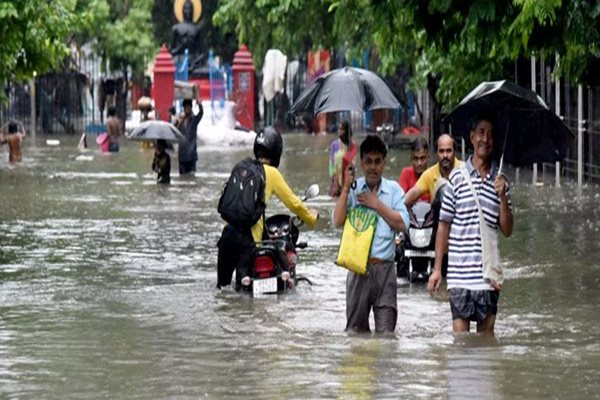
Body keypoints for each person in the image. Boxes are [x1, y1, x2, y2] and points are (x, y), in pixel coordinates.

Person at [428, 113, 513, 336]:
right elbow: (443, 226)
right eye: (482, 133)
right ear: (472, 137)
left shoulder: (501, 181)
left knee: (486, 346)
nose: (486, 139)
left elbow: (507, 230)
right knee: (461, 346)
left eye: (491, 135)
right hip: (458, 277)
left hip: (488, 278)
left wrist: (503, 196)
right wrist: (437, 269)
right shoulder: (456, 178)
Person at [216, 127, 319, 290]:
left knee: (223, 290)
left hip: (227, 236)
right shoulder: (271, 173)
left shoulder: (241, 166)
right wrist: (311, 217)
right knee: (244, 296)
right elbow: (294, 203)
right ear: (277, 152)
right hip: (247, 240)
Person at [333, 135, 409, 333]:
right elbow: (337, 221)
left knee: (386, 338)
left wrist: (377, 204)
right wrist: (345, 188)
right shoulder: (354, 188)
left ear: (384, 162)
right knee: (355, 336)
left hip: (385, 271)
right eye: (368, 162)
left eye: (377, 162)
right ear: (361, 163)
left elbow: (403, 225)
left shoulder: (394, 191)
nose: (373, 167)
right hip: (358, 270)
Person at [404, 134, 462, 207]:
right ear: (436, 154)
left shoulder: (464, 171)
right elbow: (406, 199)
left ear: (454, 153)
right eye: (441, 151)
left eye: (449, 151)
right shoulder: (429, 174)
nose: (445, 155)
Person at [171, 0, 207, 75]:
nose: (188, 11)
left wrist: (195, 62)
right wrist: (180, 48)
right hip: (179, 59)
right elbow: (171, 52)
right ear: (182, 10)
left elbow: (203, 53)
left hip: (194, 61)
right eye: (186, 8)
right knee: (173, 68)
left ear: (193, 11)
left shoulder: (197, 29)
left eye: (190, 9)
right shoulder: (176, 28)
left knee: (208, 71)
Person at [328, 120, 357, 197]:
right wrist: (334, 180)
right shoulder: (335, 145)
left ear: (347, 131)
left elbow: (353, 164)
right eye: (339, 129)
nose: (339, 131)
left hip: (347, 179)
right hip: (336, 179)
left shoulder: (352, 145)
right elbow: (331, 163)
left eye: (342, 129)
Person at [175, 99, 202, 175]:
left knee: (192, 177)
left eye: (188, 107)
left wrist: (199, 104)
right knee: (182, 178)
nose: (187, 109)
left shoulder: (194, 120)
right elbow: (174, 131)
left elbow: (201, 113)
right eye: (185, 107)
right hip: (182, 156)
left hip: (191, 156)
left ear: (191, 108)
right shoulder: (180, 121)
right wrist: (177, 122)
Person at [398, 136, 430, 202]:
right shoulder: (406, 173)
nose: (419, 163)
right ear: (411, 158)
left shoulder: (433, 175)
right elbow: (399, 199)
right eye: (416, 158)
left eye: (422, 158)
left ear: (428, 158)